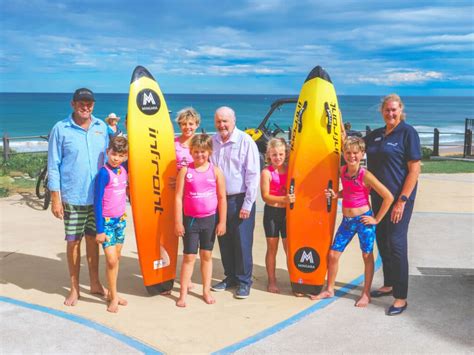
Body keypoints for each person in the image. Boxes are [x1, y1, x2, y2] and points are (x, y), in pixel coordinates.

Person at [312, 137, 394, 307]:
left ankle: (365, 294)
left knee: (366, 256)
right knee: (333, 255)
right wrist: (337, 195)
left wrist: (376, 219)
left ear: (362, 154)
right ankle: (330, 289)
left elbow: (388, 196)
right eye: (348, 153)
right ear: (344, 154)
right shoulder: (343, 171)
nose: (352, 156)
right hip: (347, 221)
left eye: (355, 153)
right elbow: (349, 190)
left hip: (364, 221)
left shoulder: (366, 175)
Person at [48, 88, 108, 306]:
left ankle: (95, 282)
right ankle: (74, 288)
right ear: (73, 104)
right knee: (73, 242)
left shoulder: (102, 127)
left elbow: (114, 158)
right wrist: (56, 197)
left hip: (98, 198)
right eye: (81, 103)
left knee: (94, 240)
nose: (86, 106)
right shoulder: (60, 128)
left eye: (89, 103)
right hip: (73, 196)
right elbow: (53, 165)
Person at [365, 94, 421, 316]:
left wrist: (402, 200)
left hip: (400, 199)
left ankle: (401, 297)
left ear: (400, 110)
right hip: (379, 199)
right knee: (382, 239)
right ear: (382, 111)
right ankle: (388, 284)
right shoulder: (376, 135)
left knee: (396, 243)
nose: (390, 113)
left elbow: (414, 169)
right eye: (387, 110)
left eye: (394, 110)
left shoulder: (408, 133)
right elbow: (353, 147)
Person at [210, 106, 260, 299]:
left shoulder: (245, 141)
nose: (222, 125)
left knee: (242, 242)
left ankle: (244, 281)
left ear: (233, 120)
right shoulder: (212, 141)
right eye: (218, 121)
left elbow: (253, 174)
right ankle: (230, 277)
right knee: (225, 240)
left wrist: (248, 204)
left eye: (225, 121)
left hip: (240, 199)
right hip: (219, 200)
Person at [174, 134, 227, 307]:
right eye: (196, 152)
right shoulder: (185, 171)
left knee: (206, 256)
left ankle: (206, 290)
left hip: (209, 221)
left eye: (203, 152)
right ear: (191, 152)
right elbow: (178, 197)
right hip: (191, 221)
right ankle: (183, 294)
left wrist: (222, 221)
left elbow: (221, 197)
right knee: (189, 257)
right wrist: (178, 221)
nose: (199, 155)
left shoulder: (215, 171)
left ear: (209, 152)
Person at [93, 136, 129, 313]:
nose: (116, 158)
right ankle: (113, 297)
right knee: (111, 259)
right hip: (106, 223)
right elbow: (97, 202)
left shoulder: (124, 170)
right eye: (113, 154)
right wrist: (99, 230)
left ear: (125, 156)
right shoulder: (103, 173)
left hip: (120, 220)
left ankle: (113, 293)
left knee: (117, 259)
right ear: (108, 152)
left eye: (120, 155)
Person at [260, 138, 295, 293]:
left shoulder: (290, 170)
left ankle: (294, 279)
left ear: (286, 154)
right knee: (272, 248)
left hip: (287, 214)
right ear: (269, 155)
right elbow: (265, 196)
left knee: (289, 249)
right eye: (274, 155)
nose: (278, 157)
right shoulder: (266, 172)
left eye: (281, 154)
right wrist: (284, 199)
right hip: (272, 214)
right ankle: (272, 280)